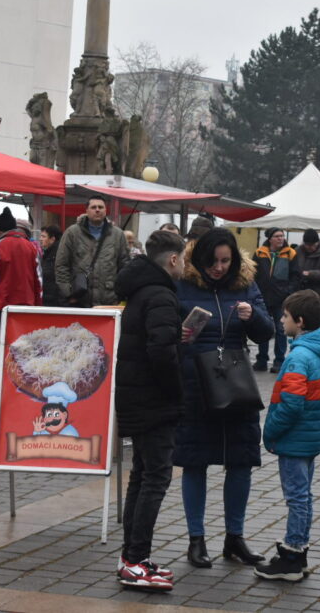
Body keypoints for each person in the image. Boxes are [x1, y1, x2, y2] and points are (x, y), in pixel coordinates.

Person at [174, 227, 274, 569]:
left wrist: (253, 316)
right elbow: (162, 332)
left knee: (241, 460)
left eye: (226, 261)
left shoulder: (245, 284)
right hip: (195, 384)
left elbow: (266, 332)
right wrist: (179, 335)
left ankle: (235, 537)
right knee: (195, 461)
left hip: (235, 384)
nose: (219, 268)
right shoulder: (182, 284)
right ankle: (196, 538)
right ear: (200, 258)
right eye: (213, 261)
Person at [113, 230, 186, 590]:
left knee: (141, 476)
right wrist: (176, 393)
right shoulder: (160, 295)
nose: (184, 265)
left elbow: (155, 339)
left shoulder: (141, 290)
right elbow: (161, 352)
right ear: (172, 259)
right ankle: (135, 560)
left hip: (136, 396)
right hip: (153, 399)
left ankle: (132, 556)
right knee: (155, 477)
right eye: (183, 259)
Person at [253, 290, 320, 581]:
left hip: (293, 439)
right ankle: (297, 551)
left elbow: (291, 404)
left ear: (299, 322)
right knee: (303, 496)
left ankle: (292, 555)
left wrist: (271, 431)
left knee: (297, 498)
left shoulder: (299, 357)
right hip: (309, 438)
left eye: (285, 316)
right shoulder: (319, 351)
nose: (281, 320)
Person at [0, 207, 43, 402]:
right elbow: (39, 280)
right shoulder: (32, 247)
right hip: (25, 308)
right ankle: (20, 388)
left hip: (0, 307)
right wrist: (37, 305)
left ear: (0, 230)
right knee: (22, 351)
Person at [54, 196, 130, 307]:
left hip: (108, 300)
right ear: (87, 210)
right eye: (93, 207)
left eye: (100, 207)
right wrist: (68, 293)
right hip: (79, 299)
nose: (97, 210)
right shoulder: (72, 233)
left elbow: (125, 266)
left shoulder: (117, 235)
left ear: (106, 210)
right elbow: (61, 265)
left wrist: (119, 293)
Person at [252, 228, 300, 372]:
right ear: (270, 239)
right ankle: (261, 359)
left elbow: (296, 276)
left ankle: (279, 361)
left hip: (281, 299)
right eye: (277, 236)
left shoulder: (290, 253)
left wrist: (288, 292)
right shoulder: (259, 253)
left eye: (282, 236)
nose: (280, 238)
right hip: (263, 297)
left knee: (280, 329)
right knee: (263, 327)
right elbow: (253, 273)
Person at [39, 225, 62, 306]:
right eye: (40, 236)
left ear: (52, 239)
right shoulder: (47, 253)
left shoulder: (59, 254)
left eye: (43, 236)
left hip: (55, 301)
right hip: (48, 298)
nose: (40, 239)